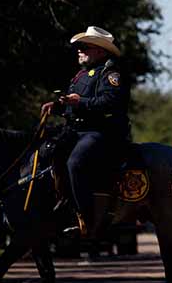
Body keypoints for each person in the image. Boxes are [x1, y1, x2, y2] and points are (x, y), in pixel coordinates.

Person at [42, 26, 130, 237]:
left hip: (102, 132)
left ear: (100, 51)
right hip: (77, 130)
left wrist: (80, 101)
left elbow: (109, 102)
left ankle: (86, 218)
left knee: (75, 162)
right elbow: (75, 105)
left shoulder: (111, 73)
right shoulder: (81, 75)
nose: (79, 51)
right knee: (45, 153)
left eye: (84, 47)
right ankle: (59, 205)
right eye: (79, 47)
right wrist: (58, 107)